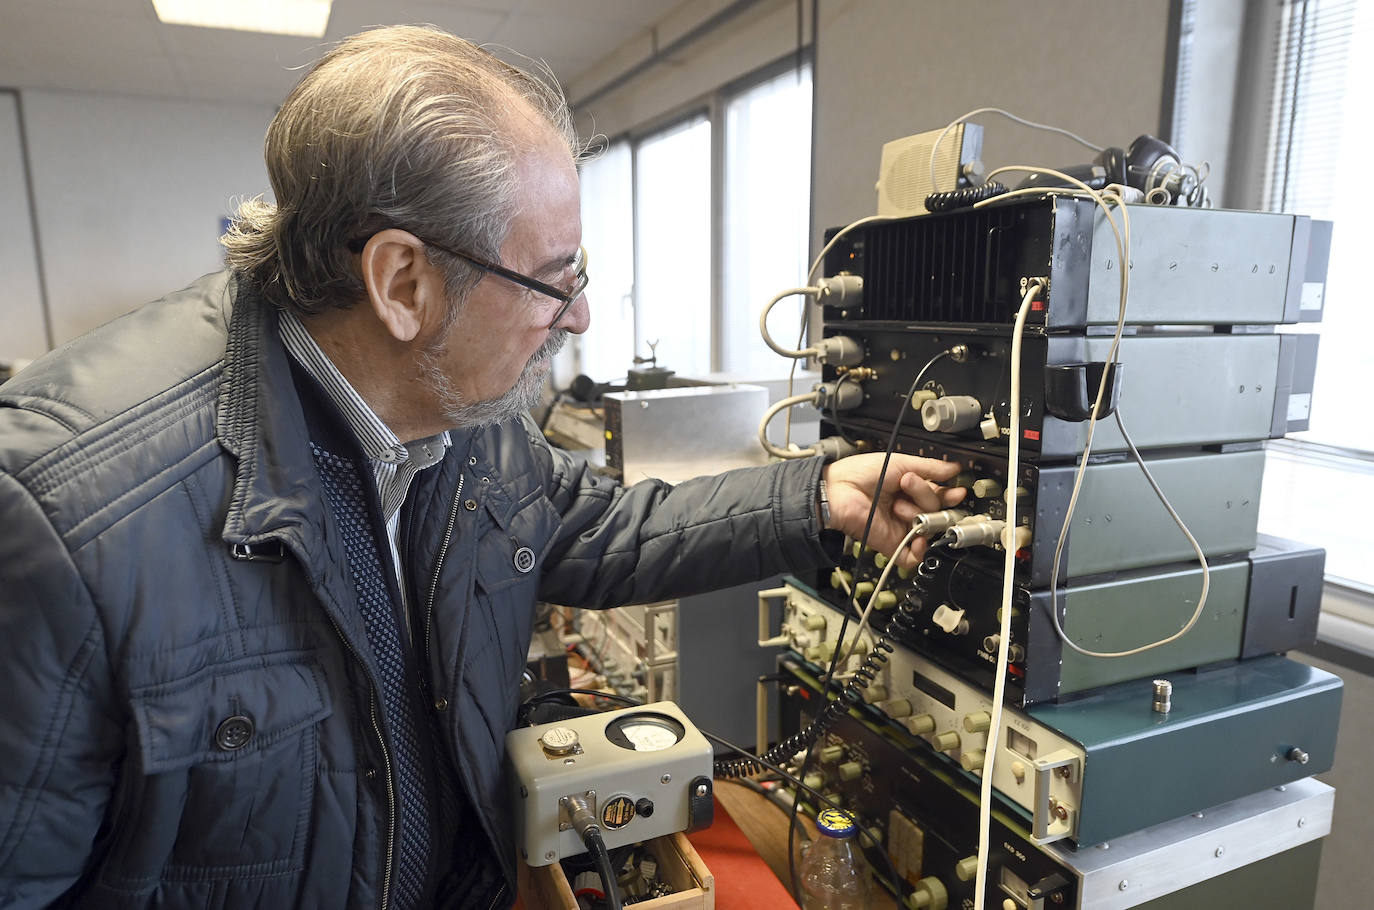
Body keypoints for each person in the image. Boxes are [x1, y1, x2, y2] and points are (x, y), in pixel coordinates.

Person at [0, 25, 963, 910]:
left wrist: (818, 495)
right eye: (555, 277)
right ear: (403, 283)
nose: (578, 316)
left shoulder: (468, 420)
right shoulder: (66, 519)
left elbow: (597, 529)